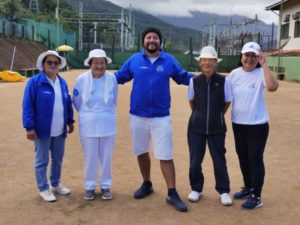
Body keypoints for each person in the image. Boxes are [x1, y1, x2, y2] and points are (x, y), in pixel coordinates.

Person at [115, 27, 194, 212]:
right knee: (142, 151)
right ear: (143, 41)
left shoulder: (168, 60)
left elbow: (183, 77)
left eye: (155, 38)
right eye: (149, 37)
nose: (152, 40)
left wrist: (203, 78)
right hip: (137, 115)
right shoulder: (134, 60)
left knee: (165, 154)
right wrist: (96, 77)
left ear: (160, 42)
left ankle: (172, 193)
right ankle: (147, 184)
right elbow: (118, 78)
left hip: (161, 117)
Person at [226, 42, 279, 210]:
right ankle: (248, 187)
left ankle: (256, 195)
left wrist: (264, 65)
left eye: (253, 56)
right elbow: (225, 96)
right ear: (241, 57)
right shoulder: (234, 74)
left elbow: (272, 87)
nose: (249, 59)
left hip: (257, 125)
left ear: (258, 57)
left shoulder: (261, 73)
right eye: (246, 55)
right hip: (238, 124)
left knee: (255, 158)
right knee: (243, 157)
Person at [22, 50, 74, 202]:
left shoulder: (62, 82)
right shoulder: (34, 82)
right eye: (49, 62)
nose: (53, 65)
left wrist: (70, 121)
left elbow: (67, 103)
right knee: (42, 160)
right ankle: (43, 188)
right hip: (42, 130)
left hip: (59, 129)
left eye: (56, 63)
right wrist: (29, 127)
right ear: (43, 65)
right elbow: (27, 105)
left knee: (57, 159)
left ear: (59, 66)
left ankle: (56, 184)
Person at [187, 46, 232, 206]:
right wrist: (200, 115)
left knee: (219, 159)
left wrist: (216, 115)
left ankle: (224, 191)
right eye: (204, 60)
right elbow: (192, 101)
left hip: (217, 127)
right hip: (195, 127)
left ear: (215, 62)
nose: (207, 63)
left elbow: (227, 102)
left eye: (210, 60)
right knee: (195, 160)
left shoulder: (224, 81)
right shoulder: (194, 81)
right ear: (200, 63)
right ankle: (196, 189)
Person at [73, 49, 118, 201]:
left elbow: (114, 100)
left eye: (102, 63)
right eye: (96, 62)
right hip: (88, 124)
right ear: (90, 63)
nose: (99, 66)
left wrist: (104, 113)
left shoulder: (112, 78)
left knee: (106, 157)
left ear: (106, 64)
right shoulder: (81, 79)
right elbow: (77, 100)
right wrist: (87, 114)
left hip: (107, 123)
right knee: (90, 157)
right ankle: (90, 186)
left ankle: (106, 185)